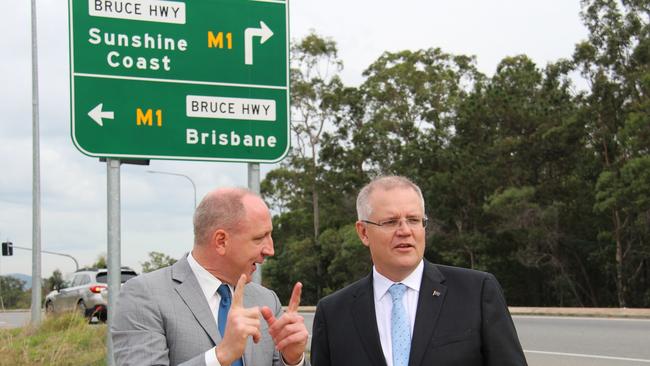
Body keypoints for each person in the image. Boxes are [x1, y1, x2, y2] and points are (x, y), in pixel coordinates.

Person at [310, 176, 527, 366]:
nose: (405, 231)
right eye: (390, 222)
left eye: (414, 220)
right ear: (363, 232)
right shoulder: (333, 313)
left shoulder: (476, 292)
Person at [112, 187, 310, 366]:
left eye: (270, 235)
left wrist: (292, 360)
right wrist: (220, 355)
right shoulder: (144, 295)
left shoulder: (266, 301)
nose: (270, 250)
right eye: (259, 238)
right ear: (221, 241)